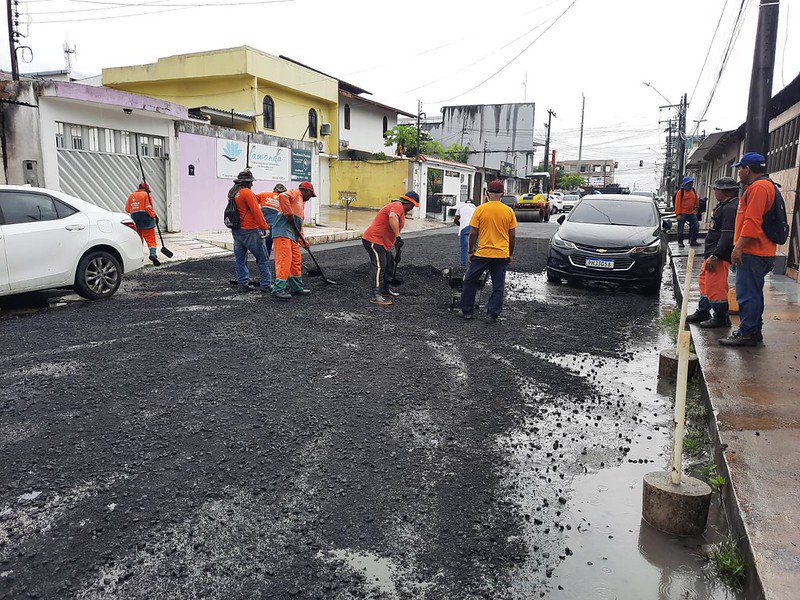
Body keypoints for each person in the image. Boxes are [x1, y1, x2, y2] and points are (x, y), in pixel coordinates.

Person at [719, 153, 777, 347]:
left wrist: (738, 248)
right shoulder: (763, 186)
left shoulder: (759, 188)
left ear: (747, 169)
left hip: (753, 252)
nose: (738, 173)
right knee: (754, 292)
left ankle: (747, 332)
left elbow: (752, 222)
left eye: (739, 169)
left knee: (747, 294)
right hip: (759, 251)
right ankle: (753, 329)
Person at [459, 179, 517, 323]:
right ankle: (492, 314)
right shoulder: (508, 211)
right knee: (498, 286)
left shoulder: (480, 209)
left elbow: (473, 233)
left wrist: (470, 251)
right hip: (501, 254)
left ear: (487, 193)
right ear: (502, 193)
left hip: (483, 253)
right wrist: (509, 254)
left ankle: (467, 311)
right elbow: (512, 235)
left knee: (470, 281)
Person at [685, 177, 739, 328]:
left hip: (718, 256)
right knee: (705, 281)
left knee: (716, 286)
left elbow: (727, 234)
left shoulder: (730, 208)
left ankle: (721, 317)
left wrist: (717, 254)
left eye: (716, 189)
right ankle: (703, 310)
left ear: (725, 191)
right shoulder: (725, 205)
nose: (714, 192)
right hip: (712, 253)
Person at [362, 191, 419, 306]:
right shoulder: (397, 206)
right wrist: (398, 237)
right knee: (379, 265)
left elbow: (393, 231)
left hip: (383, 242)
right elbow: (392, 217)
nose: (412, 208)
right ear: (409, 203)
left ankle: (385, 290)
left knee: (389, 262)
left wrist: (397, 248)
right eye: (413, 205)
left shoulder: (401, 212)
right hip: (373, 239)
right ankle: (376, 295)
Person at [228, 169, 272, 294]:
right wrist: (264, 226)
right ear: (247, 182)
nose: (252, 184)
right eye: (251, 182)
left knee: (240, 260)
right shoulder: (247, 192)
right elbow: (256, 211)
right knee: (262, 258)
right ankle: (266, 284)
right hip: (250, 230)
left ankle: (242, 284)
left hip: (236, 230)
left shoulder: (232, 193)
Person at [271, 181, 316, 301]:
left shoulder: (302, 204)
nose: (310, 198)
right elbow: (282, 196)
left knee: (296, 260)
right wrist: (289, 214)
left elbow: (299, 227)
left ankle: (296, 287)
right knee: (285, 260)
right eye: (310, 195)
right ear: (306, 190)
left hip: (292, 236)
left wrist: (303, 242)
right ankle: (278, 290)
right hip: (282, 233)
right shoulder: (296, 193)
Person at [126, 182, 161, 266]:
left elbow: (127, 209)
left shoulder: (131, 196)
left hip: (135, 221)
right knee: (151, 239)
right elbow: (148, 208)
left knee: (138, 239)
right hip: (146, 221)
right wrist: (154, 216)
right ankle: (153, 254)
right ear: (147, 189)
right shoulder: (147, 195)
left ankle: (138, 257)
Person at [257, 183, 286, 259]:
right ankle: (265, 262)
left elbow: (252, 200)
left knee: (261, 245)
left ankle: (261, 261)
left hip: (261, 225)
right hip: (274, 227)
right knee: (268, 246)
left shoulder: (264, 195)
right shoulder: (283, 198)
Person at [674, 176, 700, 248]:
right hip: (682, 213)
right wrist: (678, 214)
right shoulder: (681, 192)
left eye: (692, 182)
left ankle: (693, 241)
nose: (692, 184)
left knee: (696, 226)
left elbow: (696, 200)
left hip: (691, 213)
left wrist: (696, 208)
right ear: (687, 183)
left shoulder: (693, 191)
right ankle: (680, 242)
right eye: (691, 182)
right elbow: (677, 203)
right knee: (681, 229)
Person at [454, 200, 477, 266]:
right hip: (474, 227)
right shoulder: (475, 208)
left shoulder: (461, 206)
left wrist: (460, 225)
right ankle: (474, 264)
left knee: (464, 247)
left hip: (464, 228)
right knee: (474, 246)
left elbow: (456, 220)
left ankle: (463, 265)